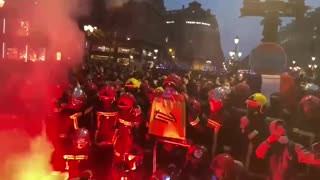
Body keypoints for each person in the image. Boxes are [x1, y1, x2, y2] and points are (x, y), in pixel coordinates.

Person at [256, 120, 320, 180]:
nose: (283, 131)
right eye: (280, 134)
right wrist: (267, 142)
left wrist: (317, 156)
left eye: (284, 133)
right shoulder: (269, 147)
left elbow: (308, 157)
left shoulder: (293, 147)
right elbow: (259, 153)